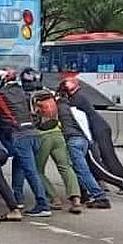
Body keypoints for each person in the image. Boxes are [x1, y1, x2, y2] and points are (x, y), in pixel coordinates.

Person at [0, 68, 51, 217]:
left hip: (20, 136)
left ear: (2, 80)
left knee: (30, 171)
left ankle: (43, 205)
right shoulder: (21, 91)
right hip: (34, 134)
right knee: (21, 166)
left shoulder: (0, 93)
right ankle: (18, 199)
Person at [59, 77, 123, 204]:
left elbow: (82, 122)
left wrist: (90, 141)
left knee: (106, 159)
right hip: (93, 131)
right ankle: (97, 187)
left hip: (98, 129)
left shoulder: (76, 100)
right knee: (94, 164)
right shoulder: (76, 98)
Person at [21, 68, 82, 214]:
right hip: (57, 133)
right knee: (65, 167)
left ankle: (54, 198)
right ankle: (76, 200)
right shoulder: (50, 93)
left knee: (37, 170)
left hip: (42, 136)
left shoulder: (27, 97)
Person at [56, 97, 111, 209]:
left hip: (73, 141)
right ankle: (84, 195)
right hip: (83, 140)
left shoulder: (58, 110)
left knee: (82, 171)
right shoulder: (75, 110)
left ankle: (100, 197)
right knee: (81, 170)